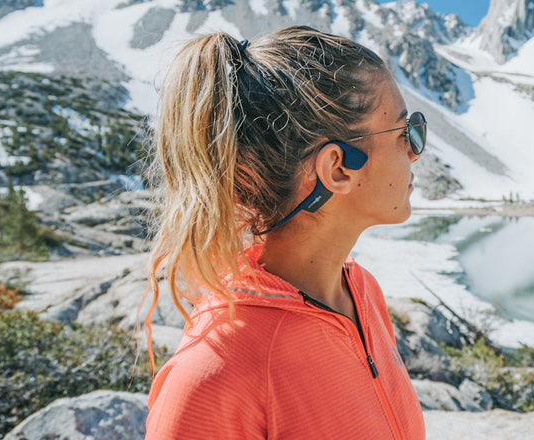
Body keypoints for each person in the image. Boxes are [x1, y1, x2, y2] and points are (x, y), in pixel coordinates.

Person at [143, 25, 428, 439]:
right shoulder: (215, 369)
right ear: (338, 168)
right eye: (406, 132)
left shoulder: (362, 292)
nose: (415, 152)